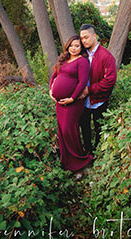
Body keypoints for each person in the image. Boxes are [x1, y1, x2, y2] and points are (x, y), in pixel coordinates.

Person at [49, 35, 93, 173]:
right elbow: (54, 75)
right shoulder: (64, 58)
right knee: (62, 131)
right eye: (71, 45)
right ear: (67, 46)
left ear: (81, 48)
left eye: (77, 46)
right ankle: (67, 161)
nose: (73, 48)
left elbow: (82, 82)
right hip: (60, 103)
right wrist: (51, 90)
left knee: (69, 130)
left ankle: (79, 161)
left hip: (73, 103)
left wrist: (72, 98)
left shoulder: (82, 61)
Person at [78, 24, 117, 155]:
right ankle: (88, 153)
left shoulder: (106, 56)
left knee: (99, 128)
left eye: (86, 37)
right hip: (82, 100)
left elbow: (110, 81)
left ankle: (98, 155)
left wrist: (89, 90)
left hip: (99, 100)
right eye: (82, 38)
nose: (84, 40)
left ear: (94, 36)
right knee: (84, 128)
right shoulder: (81, 54)